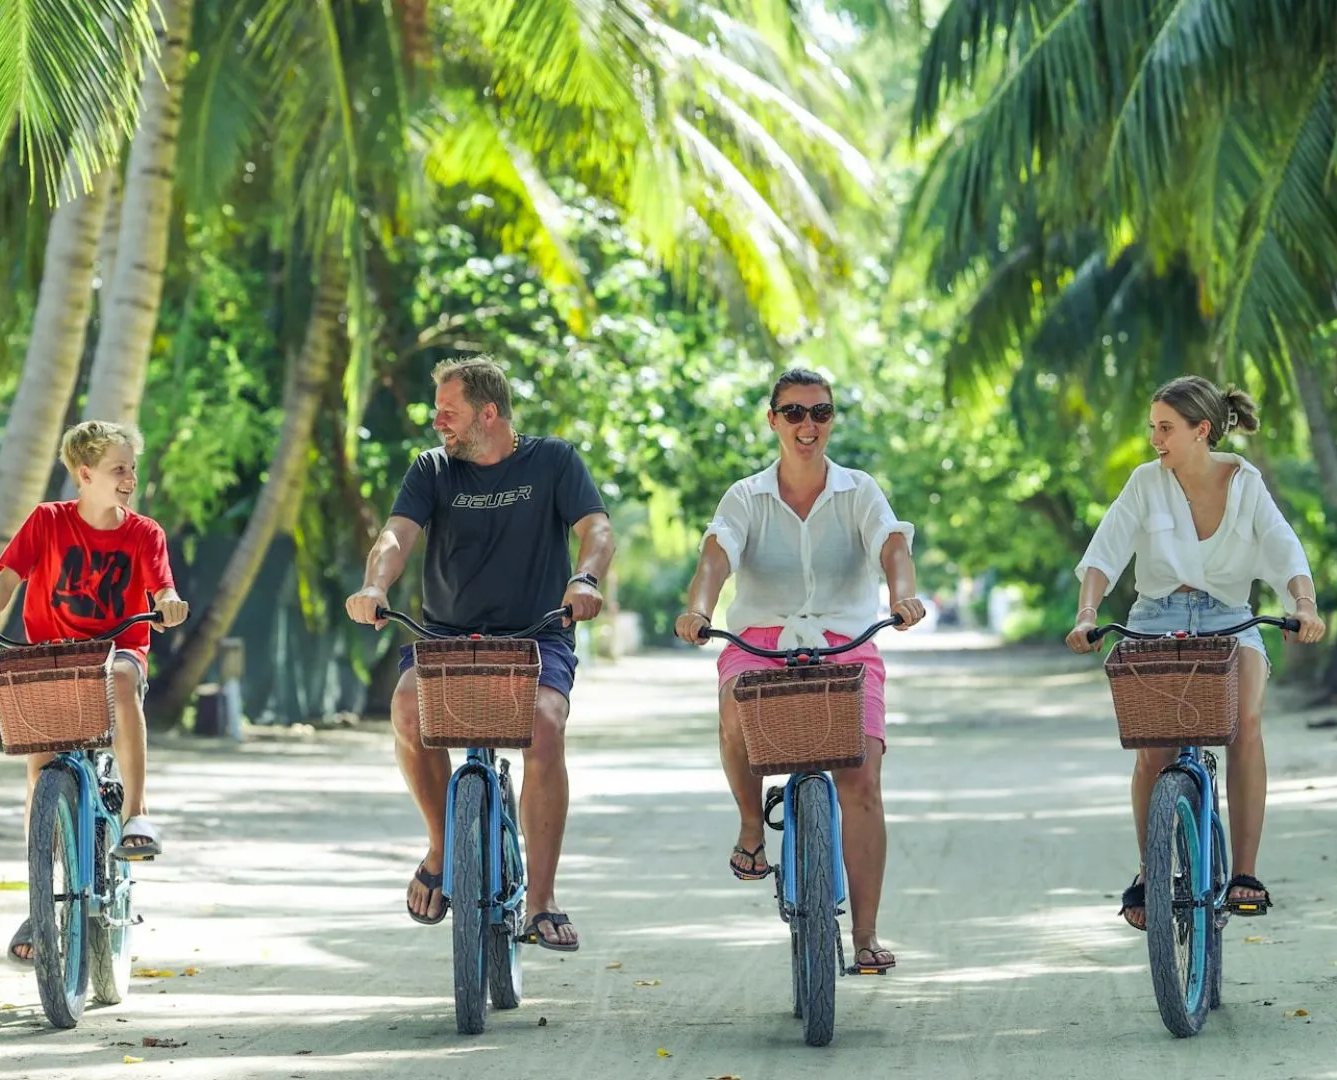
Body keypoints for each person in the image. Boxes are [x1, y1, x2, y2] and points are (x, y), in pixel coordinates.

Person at [344, 356, 614, 951]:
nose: (438, 421)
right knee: (408, 713)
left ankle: (541, 900)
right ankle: (443, 845)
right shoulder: (432, 469)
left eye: (449, 411)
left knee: (544, 725)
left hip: (536, 635)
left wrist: (587, 580)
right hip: (446, 637)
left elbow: (595, 530)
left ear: (488, 413)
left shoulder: (554, 461)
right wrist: (375, 586)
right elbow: (396, 535)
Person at [674, 368, 926, 973]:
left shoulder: (859, 490)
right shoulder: (745, 496)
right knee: (735, 706)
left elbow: (892, 546)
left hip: (845, 641)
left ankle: (864, 936)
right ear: (773, 420)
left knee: (862, 778)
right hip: (761, 641)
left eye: (820, 412)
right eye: (793, 413)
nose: (807, 425)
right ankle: (750, 828)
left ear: (831, 419)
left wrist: (905, 594)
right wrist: (697, 609)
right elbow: (716, 557)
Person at [1065, 376, 1326, 928]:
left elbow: (1282, 547)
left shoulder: (1245, 483)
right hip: (1155, 618)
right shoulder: (1144, 483)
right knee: (1152, 747)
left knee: (1245, 722)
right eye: (1152, 428)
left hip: (1232, 620)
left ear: (1200, 430)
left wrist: (1303, 604)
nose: (1155, 438)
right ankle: (1149, 869)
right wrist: (1088, 614)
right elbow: (1104, 552)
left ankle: (1245, 875)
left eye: (1166, 428)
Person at [0, 420, 189, 962]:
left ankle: (136, 813)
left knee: (123, 676)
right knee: (39, 774)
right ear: (84, 473)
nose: (130, 477)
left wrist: (170, 600)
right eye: (118, 469)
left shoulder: (144, 532)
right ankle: (41, 901)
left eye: (131, 467)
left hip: (116, 652)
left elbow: (162, 585)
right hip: (55, 658)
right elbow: (7, 579)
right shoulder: (47, 521)